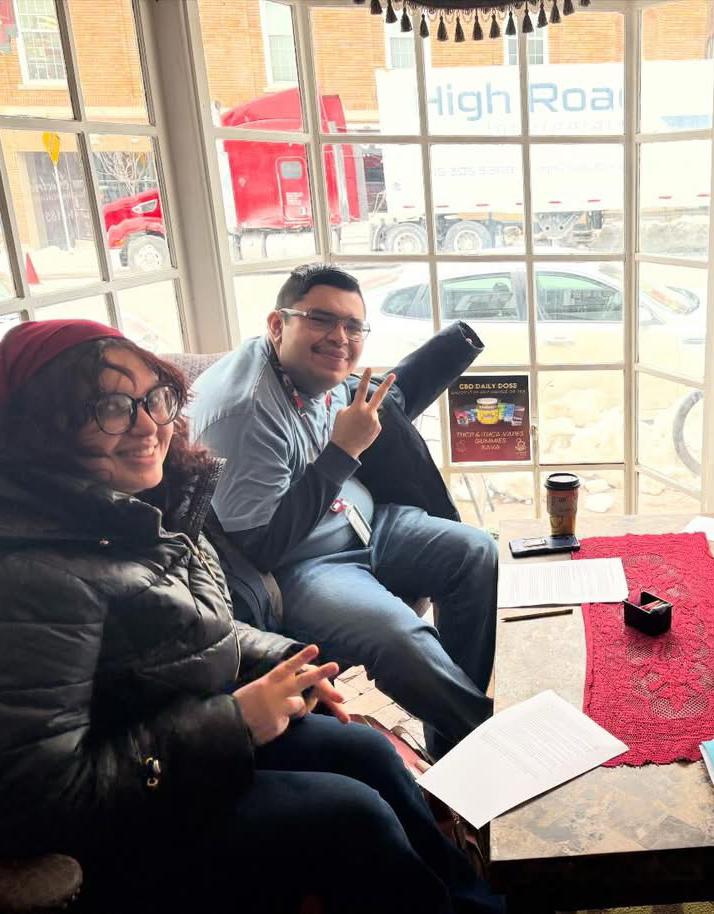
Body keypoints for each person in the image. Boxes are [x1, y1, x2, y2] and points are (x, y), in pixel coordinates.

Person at [0, 320, 503, 913]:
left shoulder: (146, 503)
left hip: (173, 732)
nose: (148, 425)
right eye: (110, 408)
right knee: (350, 813)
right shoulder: (23, 577)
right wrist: (234, 723)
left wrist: (277, 658)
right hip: (114, 826)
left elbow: (188, 630)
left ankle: (473, 900)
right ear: (35, 428)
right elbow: (33, 799)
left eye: (154, 398)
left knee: (367, 752)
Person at [188, 263, 496, 760]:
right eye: (321, 319)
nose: (340, 337)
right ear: (277, 324)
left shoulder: (316, 369)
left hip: (364, 522)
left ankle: (450, 748)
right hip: (304, 564)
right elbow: (261, 547)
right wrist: (343, 452)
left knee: (476, 551)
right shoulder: (244, 412)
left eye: (354, 326)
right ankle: (489, 747)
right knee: (400, 637)